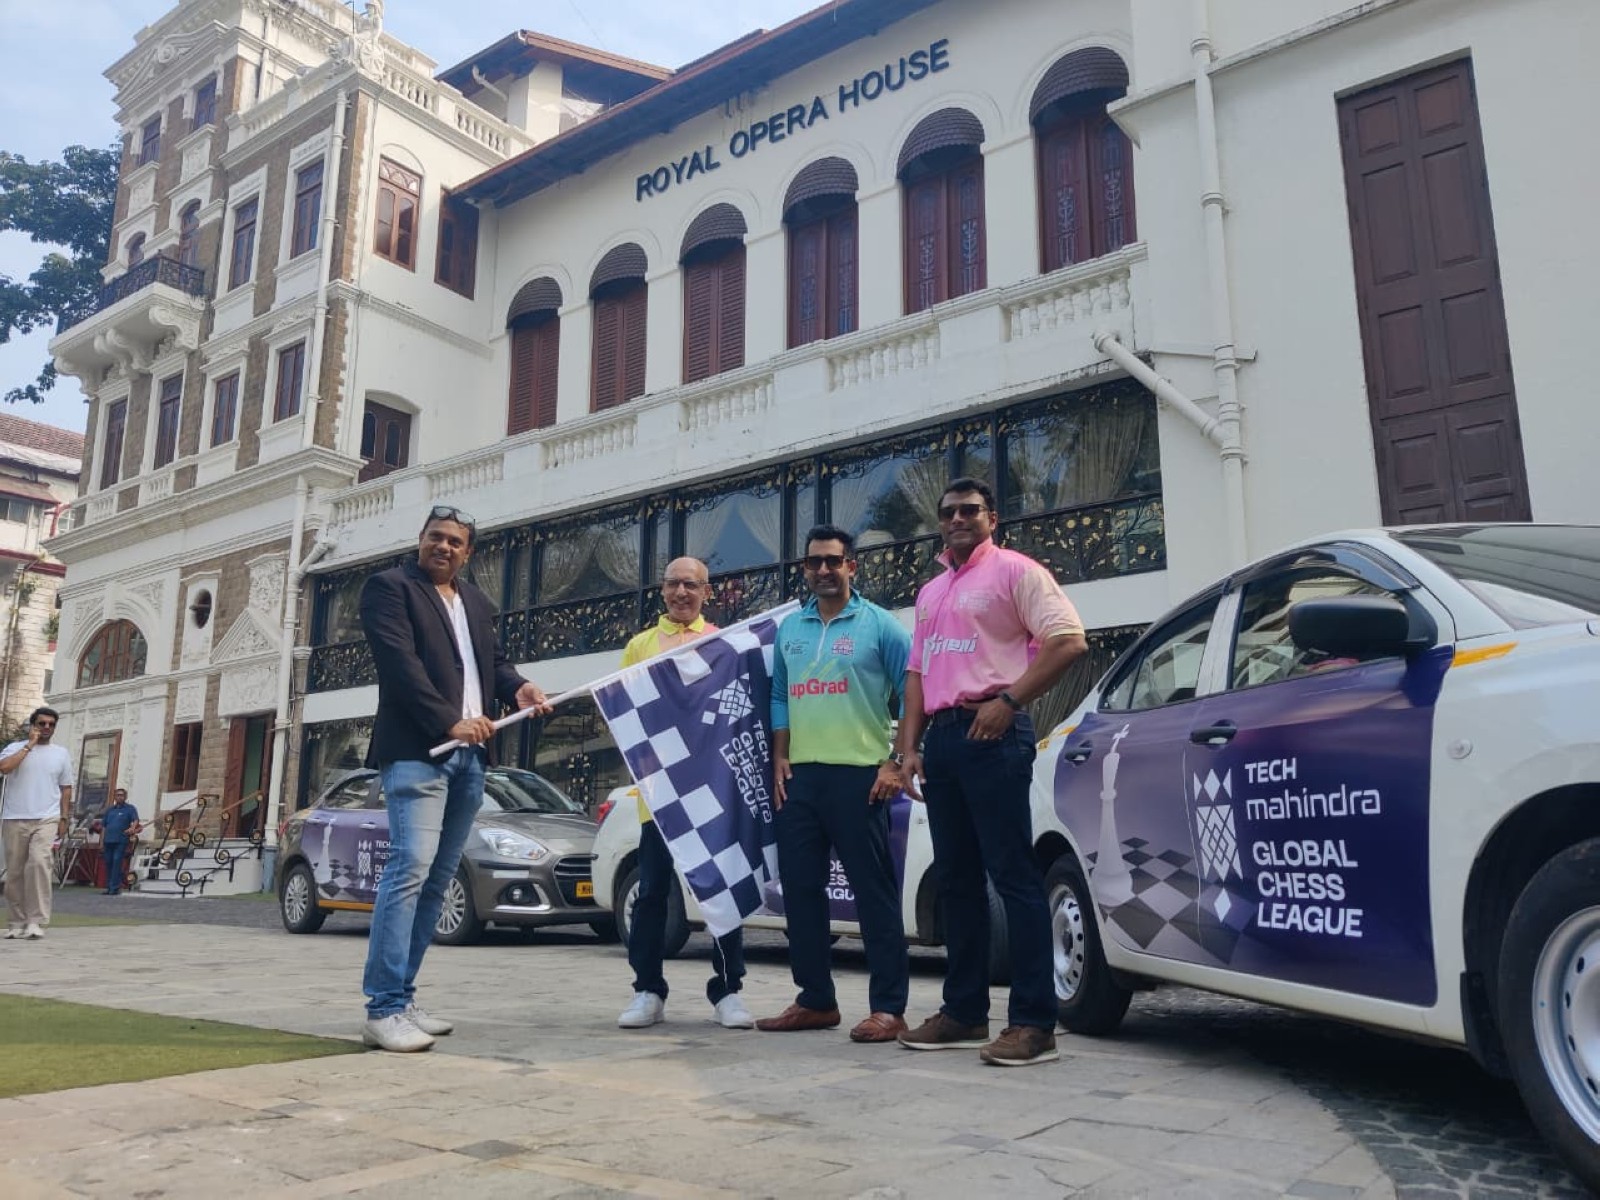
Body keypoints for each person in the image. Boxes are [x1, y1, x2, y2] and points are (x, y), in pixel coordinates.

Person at [888, 478, 1087, 1067]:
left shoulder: (1016, 572)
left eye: (969, 510)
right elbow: (917, 675)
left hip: (993, 729)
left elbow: (1068, 640)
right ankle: (965, 1013)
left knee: (1012, 875)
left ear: (991, 518)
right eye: (947, 512)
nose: (957, 519)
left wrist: (1011, 702)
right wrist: (909, 749)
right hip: (944, 740)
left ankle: (1033, 1022)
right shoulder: (931, 591)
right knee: (956, 880)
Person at [358, 505, 552, 1052]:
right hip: (420, 751)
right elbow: (399, 664)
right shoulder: (388, 588)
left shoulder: (476, 602)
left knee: (438, 880)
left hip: (471, 758)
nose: (444, 547)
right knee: (410, 869)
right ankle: (383, 1008)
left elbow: (494, 663)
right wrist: (449, 722)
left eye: (455, 542)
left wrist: (520, 688)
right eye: (435, 538)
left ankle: (404, 997)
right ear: (420, 540)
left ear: (468, 553)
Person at [756, 525, 912, 1042]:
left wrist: (897, 761)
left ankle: (889, 1007)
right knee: (800, 891)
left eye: (833, 561)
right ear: (805, 569)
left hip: (861, 777)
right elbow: (779, 694)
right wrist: (780, 754)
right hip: (801, 777)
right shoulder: (791, 630)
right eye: (814, 563)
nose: (823, 570)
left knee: (873, 894)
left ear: (852, 567)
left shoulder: (881, 627)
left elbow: (916, 695)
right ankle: (816, 1000)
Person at [616, 557, 753, 1031]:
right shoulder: (640, 646)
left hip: (713, 792)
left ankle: (728, 991)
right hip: (659, 796)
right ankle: (647, 990)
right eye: (673, 583)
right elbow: (628, 716)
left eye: (690, 585)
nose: (681, 592)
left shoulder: (723, 644)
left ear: (706, 592)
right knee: (653, 892)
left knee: (722, 888)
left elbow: (734, 714)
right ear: (662, 590)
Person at [0, 706, 75, 940]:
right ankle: (16, 920)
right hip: (15, 816)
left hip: (47, 817)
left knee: (40, 863)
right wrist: (28, 745)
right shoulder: (14, 748)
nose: (46, 728)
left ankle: (36, 920)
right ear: (33, 725)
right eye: (42, 723)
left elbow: (66, 788)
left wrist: (64, 817)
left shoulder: (61, 753)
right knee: (14, 872)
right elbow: (5, 768)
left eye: (51, 725)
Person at [99, 788, 142, 895]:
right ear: (114, 797)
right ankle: (109, 887)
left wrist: (132, 828)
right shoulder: (110, 810)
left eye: (122, 795)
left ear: (125, 797)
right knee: (109, 863)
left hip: (120, 840)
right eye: (117, 795)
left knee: (117, 862)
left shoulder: (130, 808)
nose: (119, 797)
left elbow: (136, 820)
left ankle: (115, 887)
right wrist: (101, 842)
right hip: (108, 840)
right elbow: (104, 826)